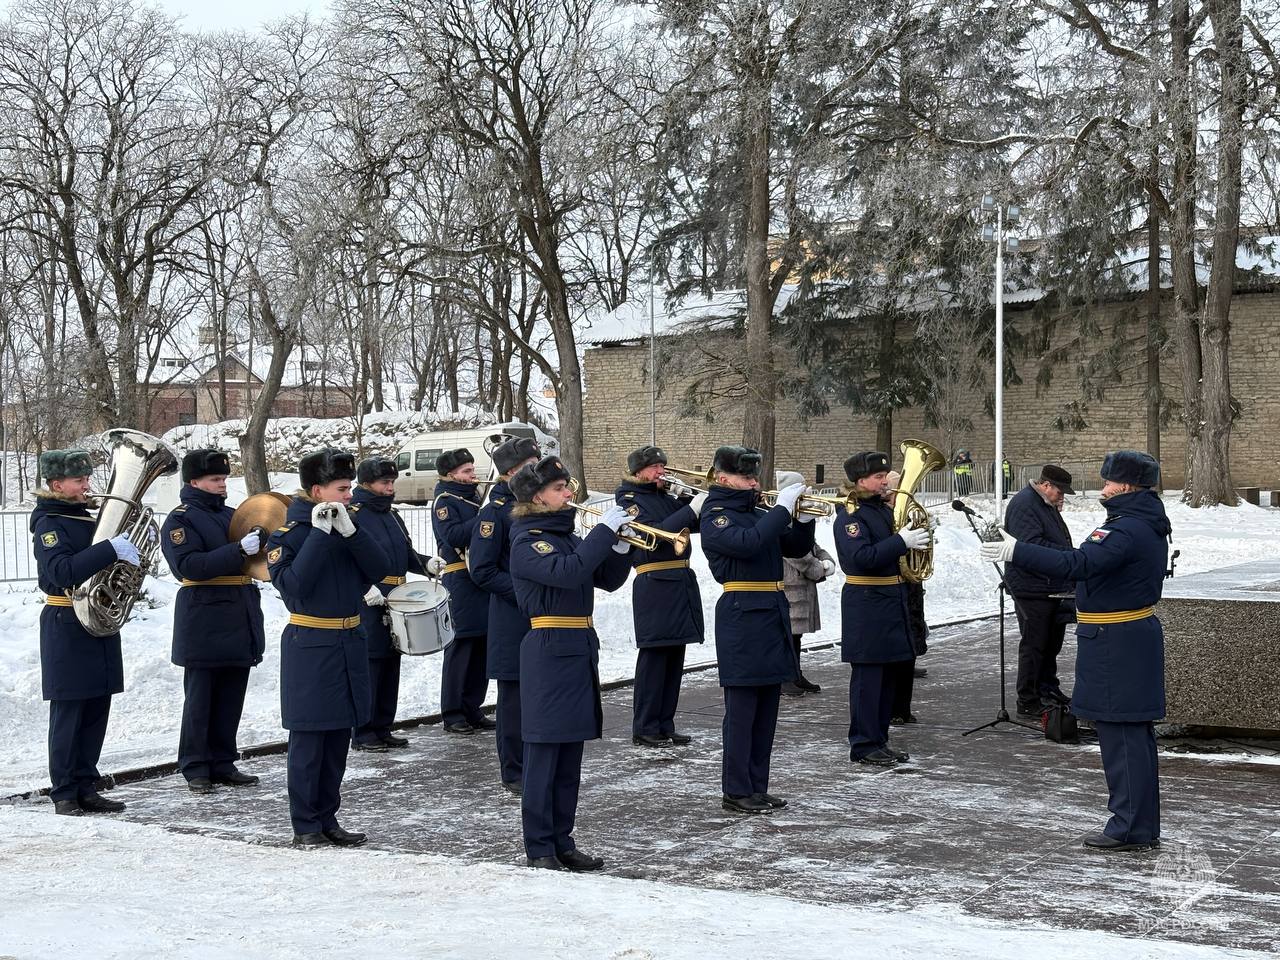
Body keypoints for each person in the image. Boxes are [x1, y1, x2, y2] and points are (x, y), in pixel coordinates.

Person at [983, 450, 1169, 851]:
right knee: (1131, 735)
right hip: (1125, 638)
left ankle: (1128, 827)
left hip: (1116, 642)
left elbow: (1079, 563)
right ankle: (1139, 824)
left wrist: (1015, 551)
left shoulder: (1126, 529)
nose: (1102, 489)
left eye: (1107, 481)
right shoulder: (1140, 522)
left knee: (1120, 736)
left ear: (1124, 486)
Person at [509, 455, 632, 870]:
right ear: (537, 496)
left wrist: (619, 546)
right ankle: (539, 845)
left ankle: (563, 839)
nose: (569, 494)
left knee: (569, 756)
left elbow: (606, 579)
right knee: (544, 754)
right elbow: (568, 572)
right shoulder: (528, 540)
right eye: (560, 489)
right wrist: (601, 532)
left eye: (567, 487)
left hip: (577, 644)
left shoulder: (564, 535)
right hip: (547, 646)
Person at [267, 448, 391, 847]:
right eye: (342, 489)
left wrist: (352, 534)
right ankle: (305, 823)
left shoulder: (350, 525)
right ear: (317, 491)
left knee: (339, 735)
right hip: (312, 642)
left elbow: (381, 567)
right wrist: (320, 535)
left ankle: (328, 817)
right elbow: (294, 587)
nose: (350, 496)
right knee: (310, 738)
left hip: (349, 637)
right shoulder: (289, 536)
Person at [701, 446, 815, 814]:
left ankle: (757, 785)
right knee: (742, 710)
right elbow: (748, 545)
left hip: (770, 611)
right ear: (723, 478)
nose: (754, 483)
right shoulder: (716, 516)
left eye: (755, 477)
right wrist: (780, 509)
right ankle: (736, 789)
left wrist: (801, 515)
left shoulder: (757, 512)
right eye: (747, 478)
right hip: (741, 613)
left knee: (767, 707)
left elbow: (794, 546)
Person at [32, 448, 138, 815]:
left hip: (98, 621)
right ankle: (64, 791)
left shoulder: (83, 517)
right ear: (57, 484)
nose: (87, 485)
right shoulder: (49, 523)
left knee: (96, 706)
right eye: (79, 480)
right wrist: (110, 548)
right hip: (66, 624)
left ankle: (86, 785)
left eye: (87, 479)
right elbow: (61, 572)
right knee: (70, 710)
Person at [160, 449, 266, 794]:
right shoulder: (181, 520)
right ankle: (195, 766)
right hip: (204, 616)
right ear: (194, 481)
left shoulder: (233, 515)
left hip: (238, 611)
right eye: (215, 479)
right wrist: (238, 551)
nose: (222, 485)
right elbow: (188, 566)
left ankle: (223, 761)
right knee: (201, 699)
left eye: (223, 479)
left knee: (231, 696)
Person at [835, 451, 932, 767]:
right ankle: (863, 744)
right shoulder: (851, 516)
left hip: (891, 601)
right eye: (879, 477)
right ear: (861, 480)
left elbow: (893, 553)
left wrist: (915, 541)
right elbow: (860, 558)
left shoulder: (881, 511)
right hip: (867, 603)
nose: (886, 481)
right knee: (868, 681)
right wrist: (901, 541)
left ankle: (879, 739)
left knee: (888, 679)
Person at [615, 445, 706, 744]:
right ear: (638, 471)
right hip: (654, 581)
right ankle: (645, 726)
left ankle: (665, 722)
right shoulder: (629, 500)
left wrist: (689, 499)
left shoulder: (664, 497)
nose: (661, 471)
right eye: (655, 467)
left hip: (678, 579)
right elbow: (653, 534)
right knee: (654, 658)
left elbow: (697, 523)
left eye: (662, 466)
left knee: (674, 657)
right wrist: (688, 509)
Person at [348, 456, 436, 752]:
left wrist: (426, 564)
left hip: (396, 598)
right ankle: (363, 731)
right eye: (385, 483)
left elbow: (405, 553)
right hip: (369, 598)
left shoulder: (391, 515)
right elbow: (347, 559)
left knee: (390, 662)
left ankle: (383, 725)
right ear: (366, 484)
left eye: (392, 482)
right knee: (370, 665)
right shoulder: (354, 515)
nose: (390, 488)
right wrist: (363, 588)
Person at [469, 435, 541, 794]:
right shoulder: (494, 511)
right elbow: (481, 569)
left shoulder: (539, 504)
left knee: (539, 693)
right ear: (511, 472)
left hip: (541, 614)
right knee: (513, 698)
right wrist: (524, 593)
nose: (538, 470)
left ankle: (537, 763)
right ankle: (514, 771)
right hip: (512, 613)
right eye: (531, 465)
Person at [1003, 464, 1076, 718]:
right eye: (1060, 491)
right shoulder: (1026, 504)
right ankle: (1028, 698)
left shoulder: (1043, 503)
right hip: (1032, 587)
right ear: (1046, 485)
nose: (1062, 496)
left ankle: (1047, 688)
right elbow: (1030, 546)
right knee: (1034, 644)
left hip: (1050, 586)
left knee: (1050, 643)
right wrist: (1069, 557)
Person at [431, 448, 494, 735]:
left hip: (480, 579)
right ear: (450, 474)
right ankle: (453, 712)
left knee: (481, 647)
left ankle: (472, 707)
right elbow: (453, 535)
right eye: (467, 471)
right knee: (461, 647)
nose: (473, 475)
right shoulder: (445, 501)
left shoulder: (474, 498)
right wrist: (484, 518)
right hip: (460, 580)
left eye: (472, 469)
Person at [776, 469, 832, 697]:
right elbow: (795, 554)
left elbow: (812, 544)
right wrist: (818, 569)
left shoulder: (798, 515)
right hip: (789, 585)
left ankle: (795, 673)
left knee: (796, 636)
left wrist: (827, 559)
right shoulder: (781, 517)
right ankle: (784, 677)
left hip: (801, 586)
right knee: (786, 635)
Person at [881, 470, 928, 725]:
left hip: (910, 588)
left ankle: (903, 707)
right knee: (893, 655)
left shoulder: (907, 514)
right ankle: (892, 708)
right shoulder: (881, 516)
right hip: (893, 587)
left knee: (909, 648)